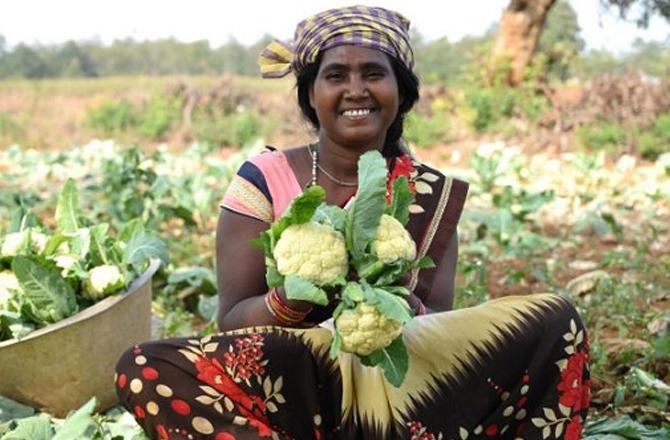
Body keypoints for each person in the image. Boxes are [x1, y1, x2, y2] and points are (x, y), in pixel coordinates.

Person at [116, 6, 590, 439]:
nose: (356, 90)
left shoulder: (428, 192)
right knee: (144, 367)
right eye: (336, 75)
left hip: (409, 392)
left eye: (374, 74)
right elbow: (232, 323)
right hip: (295, 384)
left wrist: (384, 299)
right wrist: (292, 295)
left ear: (400, 91)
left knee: (556, 320)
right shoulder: (263, 179)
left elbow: (435, 329)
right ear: (311, 93)